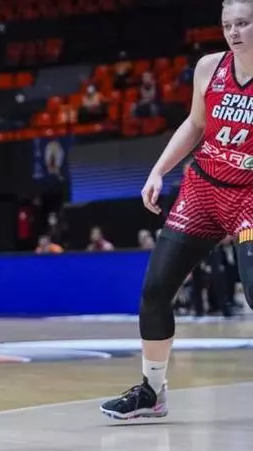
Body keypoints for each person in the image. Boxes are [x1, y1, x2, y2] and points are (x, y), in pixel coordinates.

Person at [100, 0, 253, 420]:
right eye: (227, 24)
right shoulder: (209, 68)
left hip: (248, 196)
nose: (233, 32)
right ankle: (152, 392)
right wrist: (158, 171)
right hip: (202, 189)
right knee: (155, 291)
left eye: (243, 23)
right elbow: (195, 124)